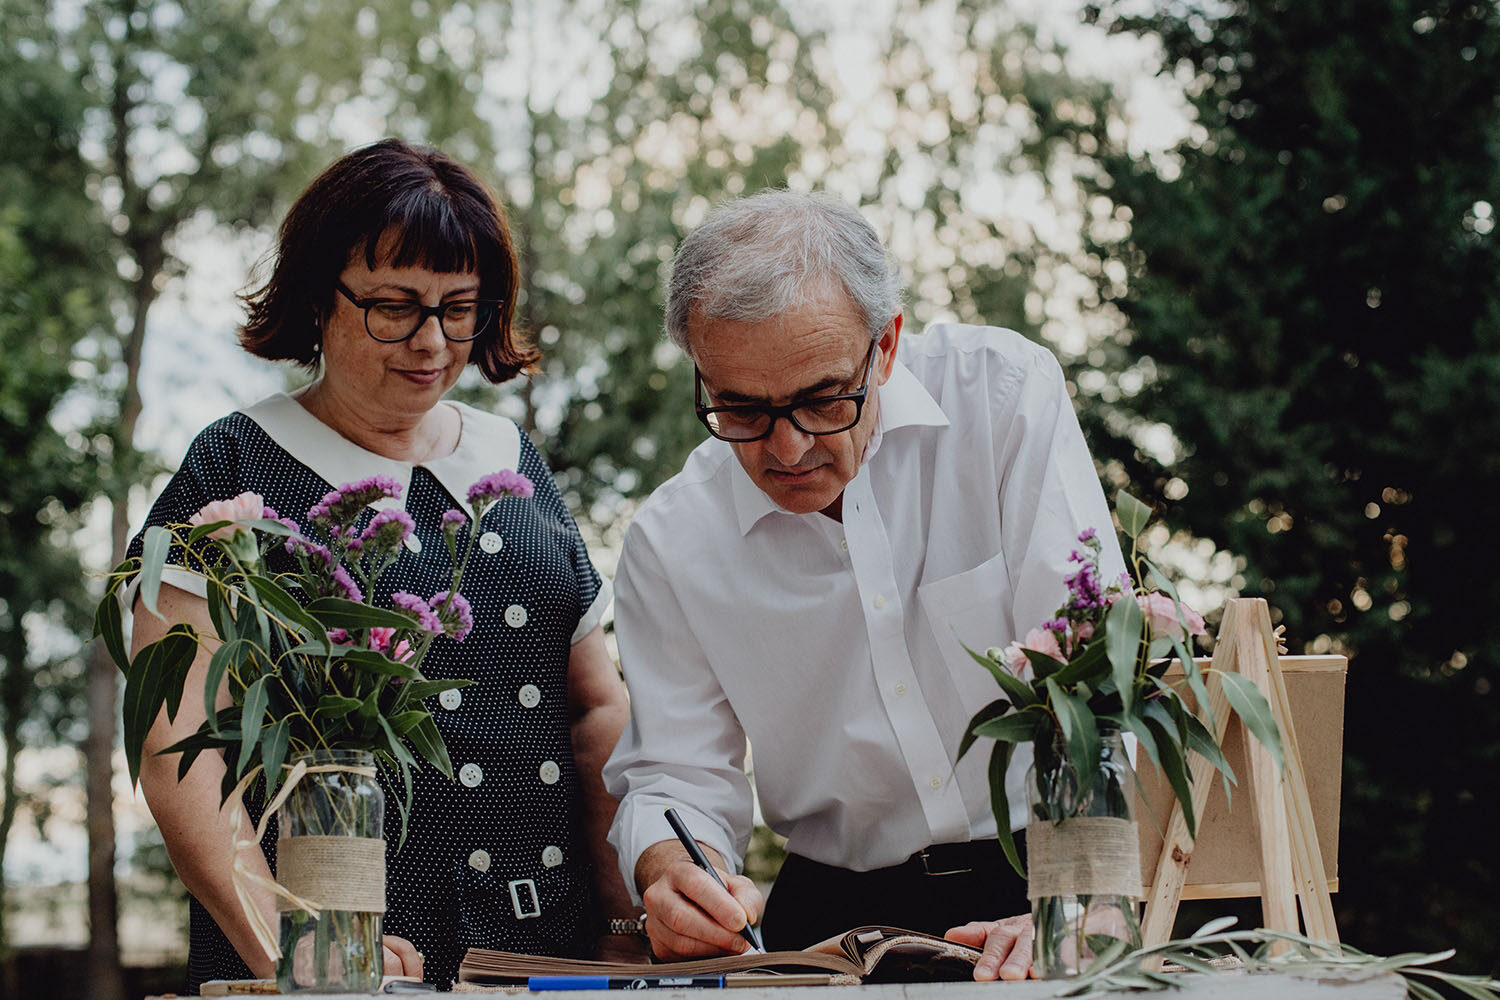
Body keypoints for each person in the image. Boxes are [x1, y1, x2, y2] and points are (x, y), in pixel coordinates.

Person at [127, 139, 641, 992]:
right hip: (344, 968)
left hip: (549, 958)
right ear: (317, 295)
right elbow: (175, 741)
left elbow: (596, 711)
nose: (432, 341)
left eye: (459, 307)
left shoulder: (514, 459)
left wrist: (626, 931)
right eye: (394, 307)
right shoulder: (237, 465)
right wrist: (291, 945)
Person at [602, 190, 1127, 981]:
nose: (787, 448)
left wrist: (1085, 894)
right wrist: (677, 874)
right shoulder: (672, 540)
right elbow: (675, 773)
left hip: (1043, 883)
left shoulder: (1002, 400)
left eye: (821, 400)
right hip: (831, 921)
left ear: (885, 346)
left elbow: (1092, 676)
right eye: (739, 408)